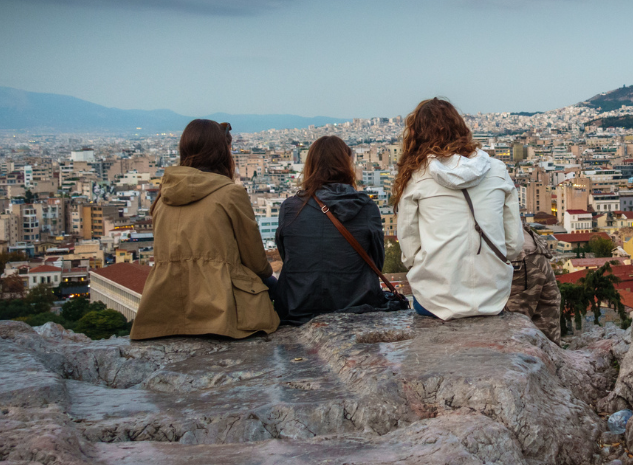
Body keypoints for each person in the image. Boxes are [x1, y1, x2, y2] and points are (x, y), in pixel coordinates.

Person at [131, 119, 279, 340]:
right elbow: (256, 262)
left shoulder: (162, 197)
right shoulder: (230, 193)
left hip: (165, 309)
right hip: (221, 308)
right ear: (221, 152)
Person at [394, 98, 523, 320]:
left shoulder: (417, 176)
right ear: (460, 128)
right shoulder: (498, 170)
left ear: (416, 135)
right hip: (492, 298)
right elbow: (514, 244)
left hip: (434, 300)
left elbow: (409, 247)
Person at [273, 135, 395, 325]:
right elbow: (376, 261)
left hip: (298, 308)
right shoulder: (366, 207)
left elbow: (288, 256)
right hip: (358, 306)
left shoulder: (290, 208)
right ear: (347, 165)